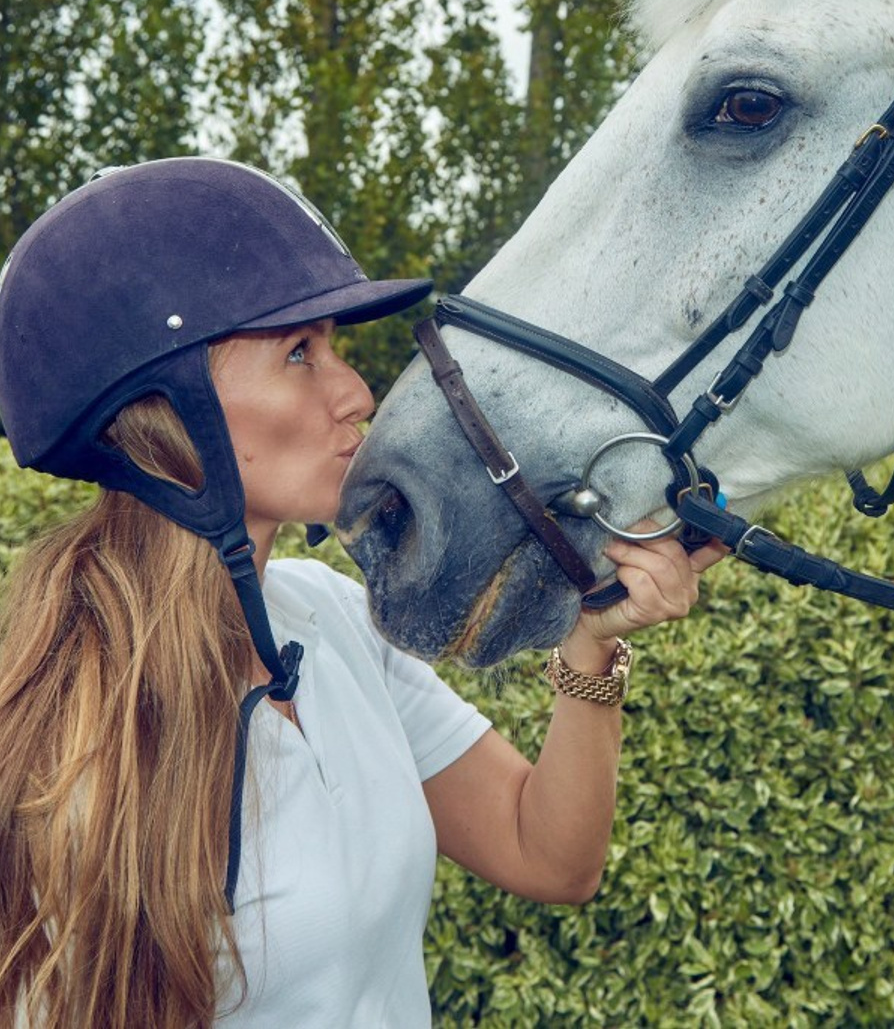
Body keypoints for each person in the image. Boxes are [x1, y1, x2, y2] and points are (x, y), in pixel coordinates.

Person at [0, 157, 725, 1028]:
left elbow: (548, 859)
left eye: (333, 348)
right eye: (299, 353)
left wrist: (591, 640)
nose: (355, 393)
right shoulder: (63, 757)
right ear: (161, 413)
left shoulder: (332, 617)